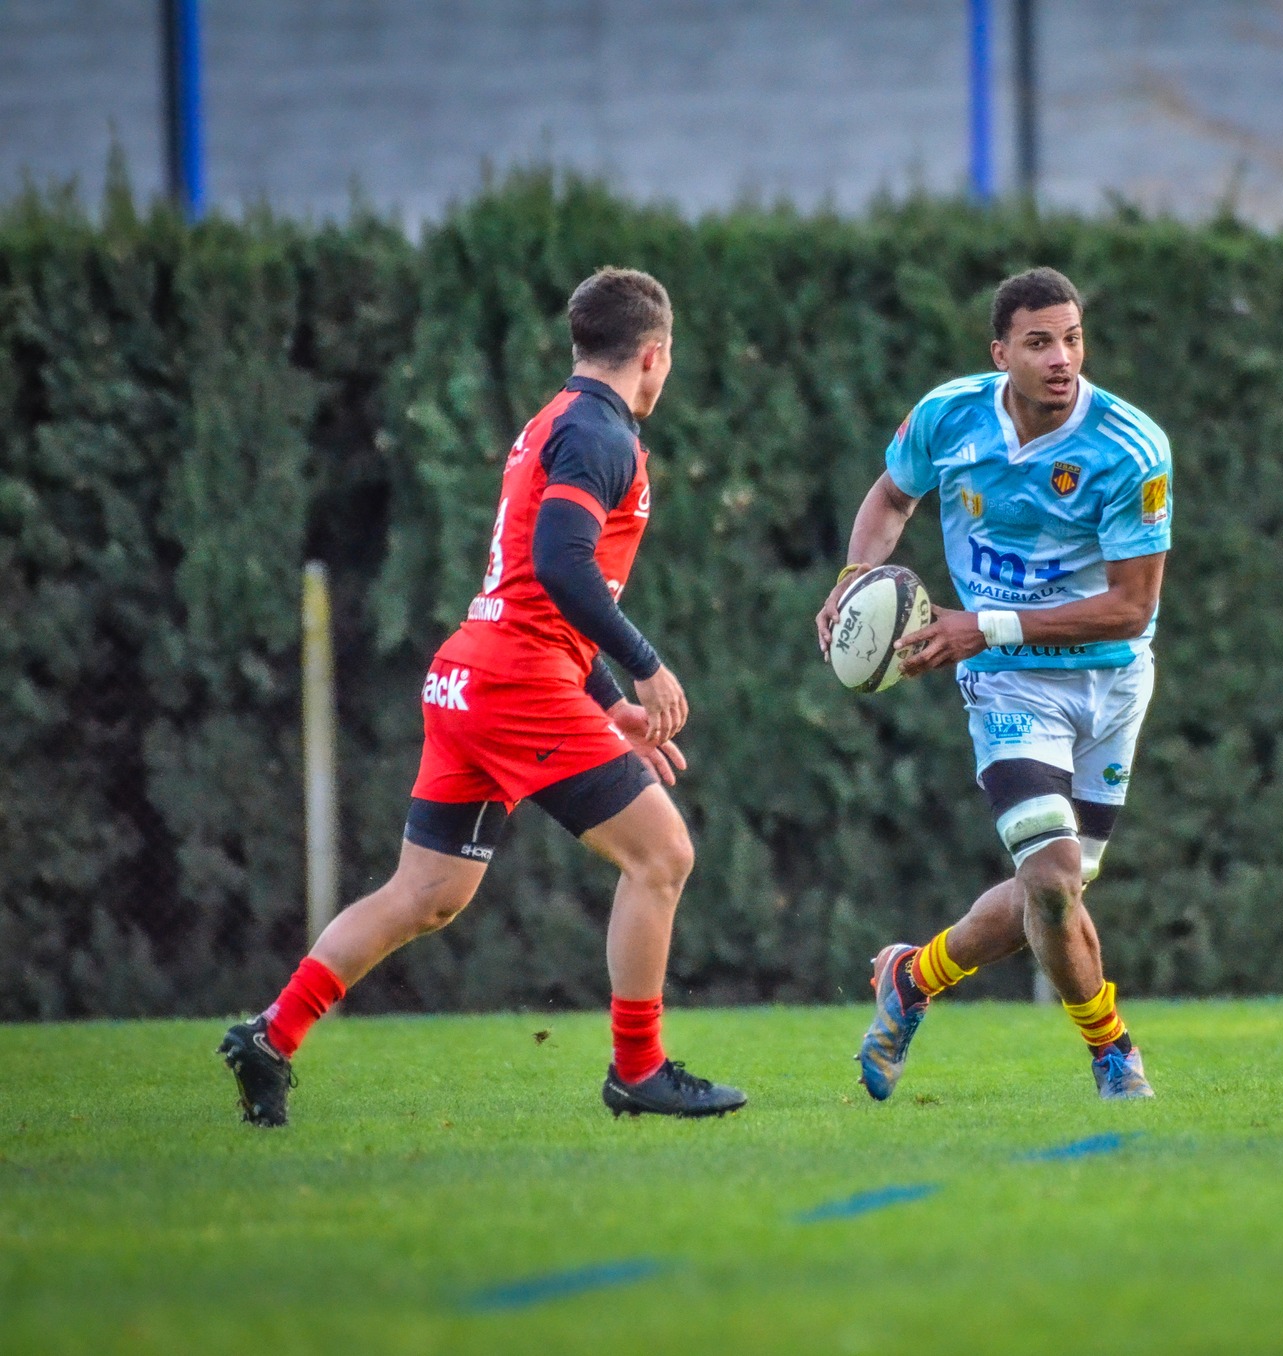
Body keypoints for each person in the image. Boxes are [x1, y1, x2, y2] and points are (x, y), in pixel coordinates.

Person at [218, 268, 746, 1125]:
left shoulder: (555, 419)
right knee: (664, 856)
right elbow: (562, 565)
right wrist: (644, 664)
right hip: (515, 683)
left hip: (473, 671)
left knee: (427, 893)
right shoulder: (600, 435)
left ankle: (272, 1035)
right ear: (655, 355)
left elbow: (535, 584)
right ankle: (638, 1070)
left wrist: (606, 696)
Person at [815, 267, 1173, 1101]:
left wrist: (984, 621)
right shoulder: (949, 415)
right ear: (1000, 351)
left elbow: (1130, 607)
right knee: (1050, 877)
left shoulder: (1130, 448)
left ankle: (911, 978)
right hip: (1008, 684)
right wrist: (853, 580)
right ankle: (1113, 1051)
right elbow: (891, 495)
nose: (1062, 359)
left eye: (1073, 339)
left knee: (1051, 897)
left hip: (1111, 685)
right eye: (1040, 342)